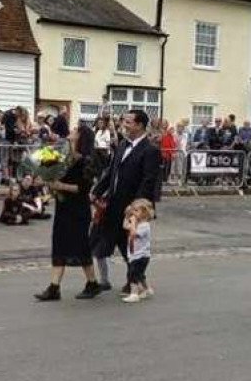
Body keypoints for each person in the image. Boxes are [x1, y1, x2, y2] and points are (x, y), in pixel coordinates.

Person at [92, 110, 162, 295]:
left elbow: (148, 181)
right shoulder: (122, 144)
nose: (124, 124)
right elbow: (111, 173)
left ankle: (137, 282)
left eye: (129, 122)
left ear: (139, 125)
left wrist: (135, 209)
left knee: (130, 248)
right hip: (113, 205)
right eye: (124, 121)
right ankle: (105, 281)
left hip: (134, 209)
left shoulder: (150, 150)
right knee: (100, 242)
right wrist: (97, 191)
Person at [35, 124, 102, 301]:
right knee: (59, 244)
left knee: (80, 247)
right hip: (63, 206)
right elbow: (50, 171)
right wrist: (46, 176)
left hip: (78, 209)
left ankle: (92, 283)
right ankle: (54, 287)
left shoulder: (86, 160)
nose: (71, 132)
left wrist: (60, 185)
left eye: (74, 131)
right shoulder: (65, 156)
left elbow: (83, 188)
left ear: (80, 137)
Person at [121, 198, 155, 304]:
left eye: (136, 211)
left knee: (133, 274)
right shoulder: (138, 223)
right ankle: (147, 289)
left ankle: (134, 294)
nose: (134, 213)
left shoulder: (145, 226)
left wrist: (133, 222)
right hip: (135, 254)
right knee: (139, 274)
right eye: (133, 210)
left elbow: (133, 233)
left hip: (141, 255)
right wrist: (127, 216)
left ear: (144, 213)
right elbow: (125, 226)